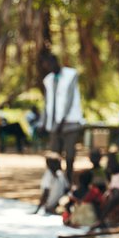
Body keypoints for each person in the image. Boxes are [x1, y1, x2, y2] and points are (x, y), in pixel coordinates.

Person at [39, 53, 85, 183]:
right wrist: (44, 122)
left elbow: (69, 100)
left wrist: (61, 121)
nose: (47, 67)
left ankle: (68, 180)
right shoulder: (48, 80)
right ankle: (56, 182)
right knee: (54, 155)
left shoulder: (70, 75)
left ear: (54, 62)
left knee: (69, 155)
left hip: (70, 123)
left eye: (48, 64)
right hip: (54, 125)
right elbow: (48, 103)